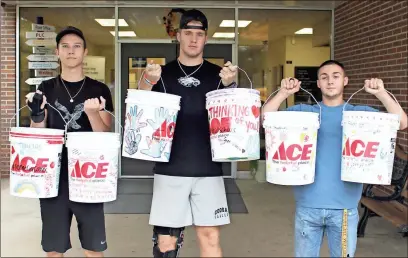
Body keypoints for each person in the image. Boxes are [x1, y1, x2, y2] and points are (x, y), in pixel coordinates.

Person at [262, 60, 407, 257]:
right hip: (308, 206)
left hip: (344, 209)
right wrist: (283, 93)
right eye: (324, 77)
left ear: (345, 81)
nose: (330, 81)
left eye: (336, 76)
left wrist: (381, 93)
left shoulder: (359, 113)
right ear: (318, 84)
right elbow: (266, 119)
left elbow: (401, 122)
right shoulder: (305, 112)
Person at [137, 9, 238, 258]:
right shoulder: (161, 73)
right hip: (170, 168)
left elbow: (234, 119)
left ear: (206, 39)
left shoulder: (219, 75)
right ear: (178, 36)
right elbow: (140, 107)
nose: (194, 39)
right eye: (188, 33)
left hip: (208, 168)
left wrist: (231, 86)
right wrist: (147, 81)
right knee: (165, 244)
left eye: (200, 34)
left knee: (210, 237)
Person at [26, 26, 114, 257]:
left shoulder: (99, 89)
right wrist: (36, 114)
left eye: (76, 46)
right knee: (54, 250)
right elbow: (38, 133)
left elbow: (105, 136)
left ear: (85, 52)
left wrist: (93, 114)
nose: (71, 51)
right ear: (57, 52)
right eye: (65, 46)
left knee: (93, 249)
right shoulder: (45, 88)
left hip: (89, 177)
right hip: (53, 179)